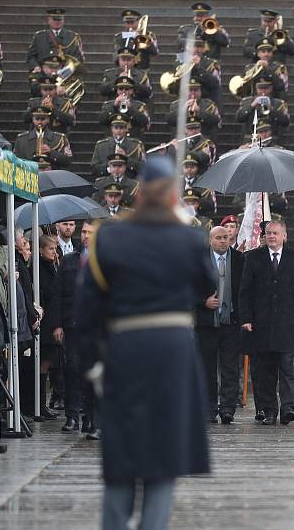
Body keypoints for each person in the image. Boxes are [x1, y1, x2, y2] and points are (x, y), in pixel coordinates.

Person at [75, 155, 215, 529]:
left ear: (138, 193)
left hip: (126, 350)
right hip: (173, 350)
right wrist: (188, 227)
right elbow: (208, 284)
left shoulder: (109, 235)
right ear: (172, 194)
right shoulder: (189, 236)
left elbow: (88, 307)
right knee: (163, 457)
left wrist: (91, 363)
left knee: (122, 454)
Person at [239, 220, 294, 425]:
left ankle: (287, 409)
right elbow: (245, 291)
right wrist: (246, 318)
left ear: (284, 236)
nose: (271, 236)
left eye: (275, 233)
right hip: (261, 325)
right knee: (265, 371)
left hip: (287, 324)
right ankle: (270, 410)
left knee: (287, 369)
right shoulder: (253, 257)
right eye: (268, 233)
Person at [46, 219, 97, 436]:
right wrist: (57, 324)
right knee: (72, 368)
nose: (85, 236)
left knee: (92, 373)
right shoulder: (68, 261)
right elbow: (57, 295)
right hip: (73, 325)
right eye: (84, 232)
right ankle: (72, 416)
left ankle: (91, 419)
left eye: (90, 232)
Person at [195, 226, 244, 424]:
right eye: (218, 238)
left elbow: (245, 289)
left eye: (226, 237)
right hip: (206, 323)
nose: (223, 241)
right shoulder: (198, 261)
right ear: (210, 240)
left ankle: (227, 409)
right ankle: (209, 408)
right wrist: (203, 302)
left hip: (231, 322)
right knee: (207, 367)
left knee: (230, 367)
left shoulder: (240, 259)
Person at [37, 235, 62, 418]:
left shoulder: (52, 266)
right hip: (46, 322)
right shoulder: (40, 269)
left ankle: (41, 404)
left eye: (55, 249)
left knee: (49, 361)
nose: (54, 252)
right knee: (43, 362)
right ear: (41, 250)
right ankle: (39, 403)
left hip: (53, 319)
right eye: (51, 249)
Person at [90, 114, 145, 178]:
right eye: (116, 128)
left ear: (126, 129)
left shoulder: (136, 145)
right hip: (107, 182)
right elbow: (94, 169)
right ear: (111, 129)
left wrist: (126, 159)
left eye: (121, 128)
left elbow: (143, 168)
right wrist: (109, 168)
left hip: (129, 183)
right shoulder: (101, 145)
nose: (118, 131)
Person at [235, 77, 289, 142]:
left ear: (270, 89)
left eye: (266, 88)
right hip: (251, 139)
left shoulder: (278, 103)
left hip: (272, 140)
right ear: (256, 89)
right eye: (260, 89)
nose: (263, 91)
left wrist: (272, 109)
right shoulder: (246, 101)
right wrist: (252, 106)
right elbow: (238, 118)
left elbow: (285, 122)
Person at [167, 78, 221, 143]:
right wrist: (183, 110)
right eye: (190, 90)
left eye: (196, 90)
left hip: (203, 142)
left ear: (200, 91)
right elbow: (170, 121)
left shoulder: (209, 105)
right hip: (181, 142)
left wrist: (199, 111)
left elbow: (216, 120)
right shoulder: (176, 105)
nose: (193, 93)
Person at [98, 76, 150, 140]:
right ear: (117, 91)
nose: (123, 91)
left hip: (133, 141)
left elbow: (144, 122)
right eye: (121, 89)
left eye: (127, 89)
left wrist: (131, 109)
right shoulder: (108, 105)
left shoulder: (140, 105)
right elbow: (102, 120)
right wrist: (114, 106)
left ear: (131, 91)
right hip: (111, 141)